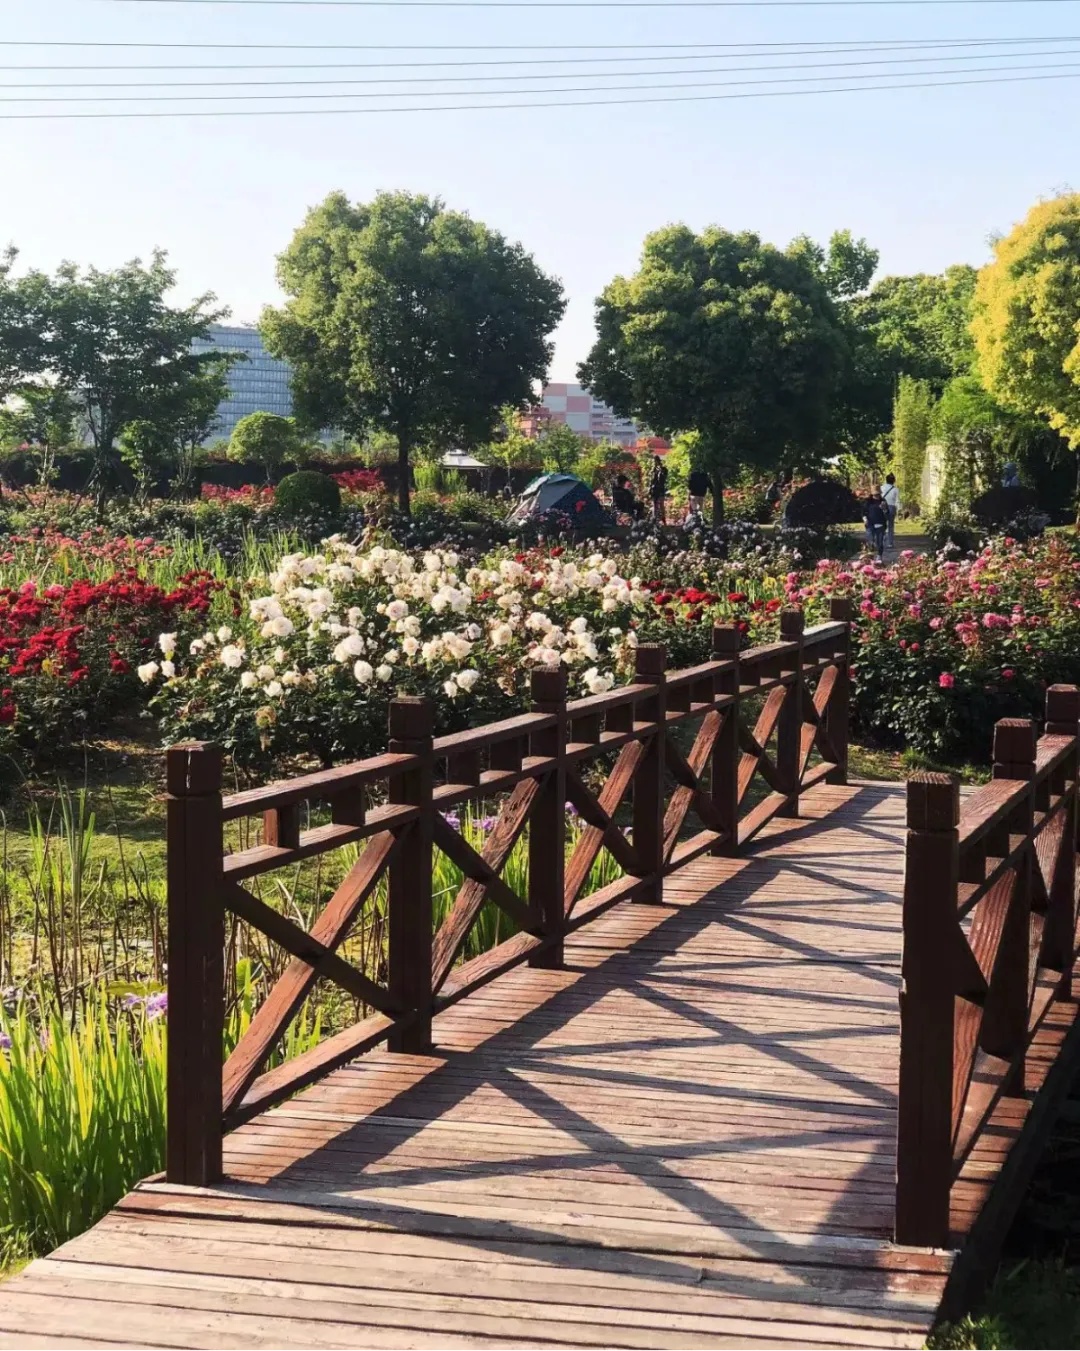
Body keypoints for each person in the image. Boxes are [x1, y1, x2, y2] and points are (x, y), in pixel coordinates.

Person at [863, 490, 888, 562]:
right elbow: (863, 512)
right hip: (870, 524)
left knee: (879, 541)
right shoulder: (868, 502)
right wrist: (865, 519)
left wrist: (884, 509)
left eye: (878, 494)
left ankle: (879, 555)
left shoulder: (883, 501)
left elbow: (887, 513)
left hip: (880, 524)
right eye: (875, 495)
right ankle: (870, 556)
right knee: (870, 540)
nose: (877, 496)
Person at [880, 473, 900, 549]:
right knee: (891, 526)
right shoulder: (895, 489)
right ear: (893, 481)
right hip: (892, 507)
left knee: (882, 524)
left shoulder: (881, 488)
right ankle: (890, 543)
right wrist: (899, 510)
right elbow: (897, 501)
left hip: (882, 506)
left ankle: (881, 541)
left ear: (886, 480)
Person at [649, 455, 669, 525]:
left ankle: (663, 520)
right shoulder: (653, 470)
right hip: (655, 489)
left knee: (661, 504)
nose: (655, 463)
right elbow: (652, 481)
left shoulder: (663, 469)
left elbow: (664, 477)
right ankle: (655, 520)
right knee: (655, 505)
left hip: (660, 488)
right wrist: (650, 488)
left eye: (655, 461)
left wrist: (660, 470)